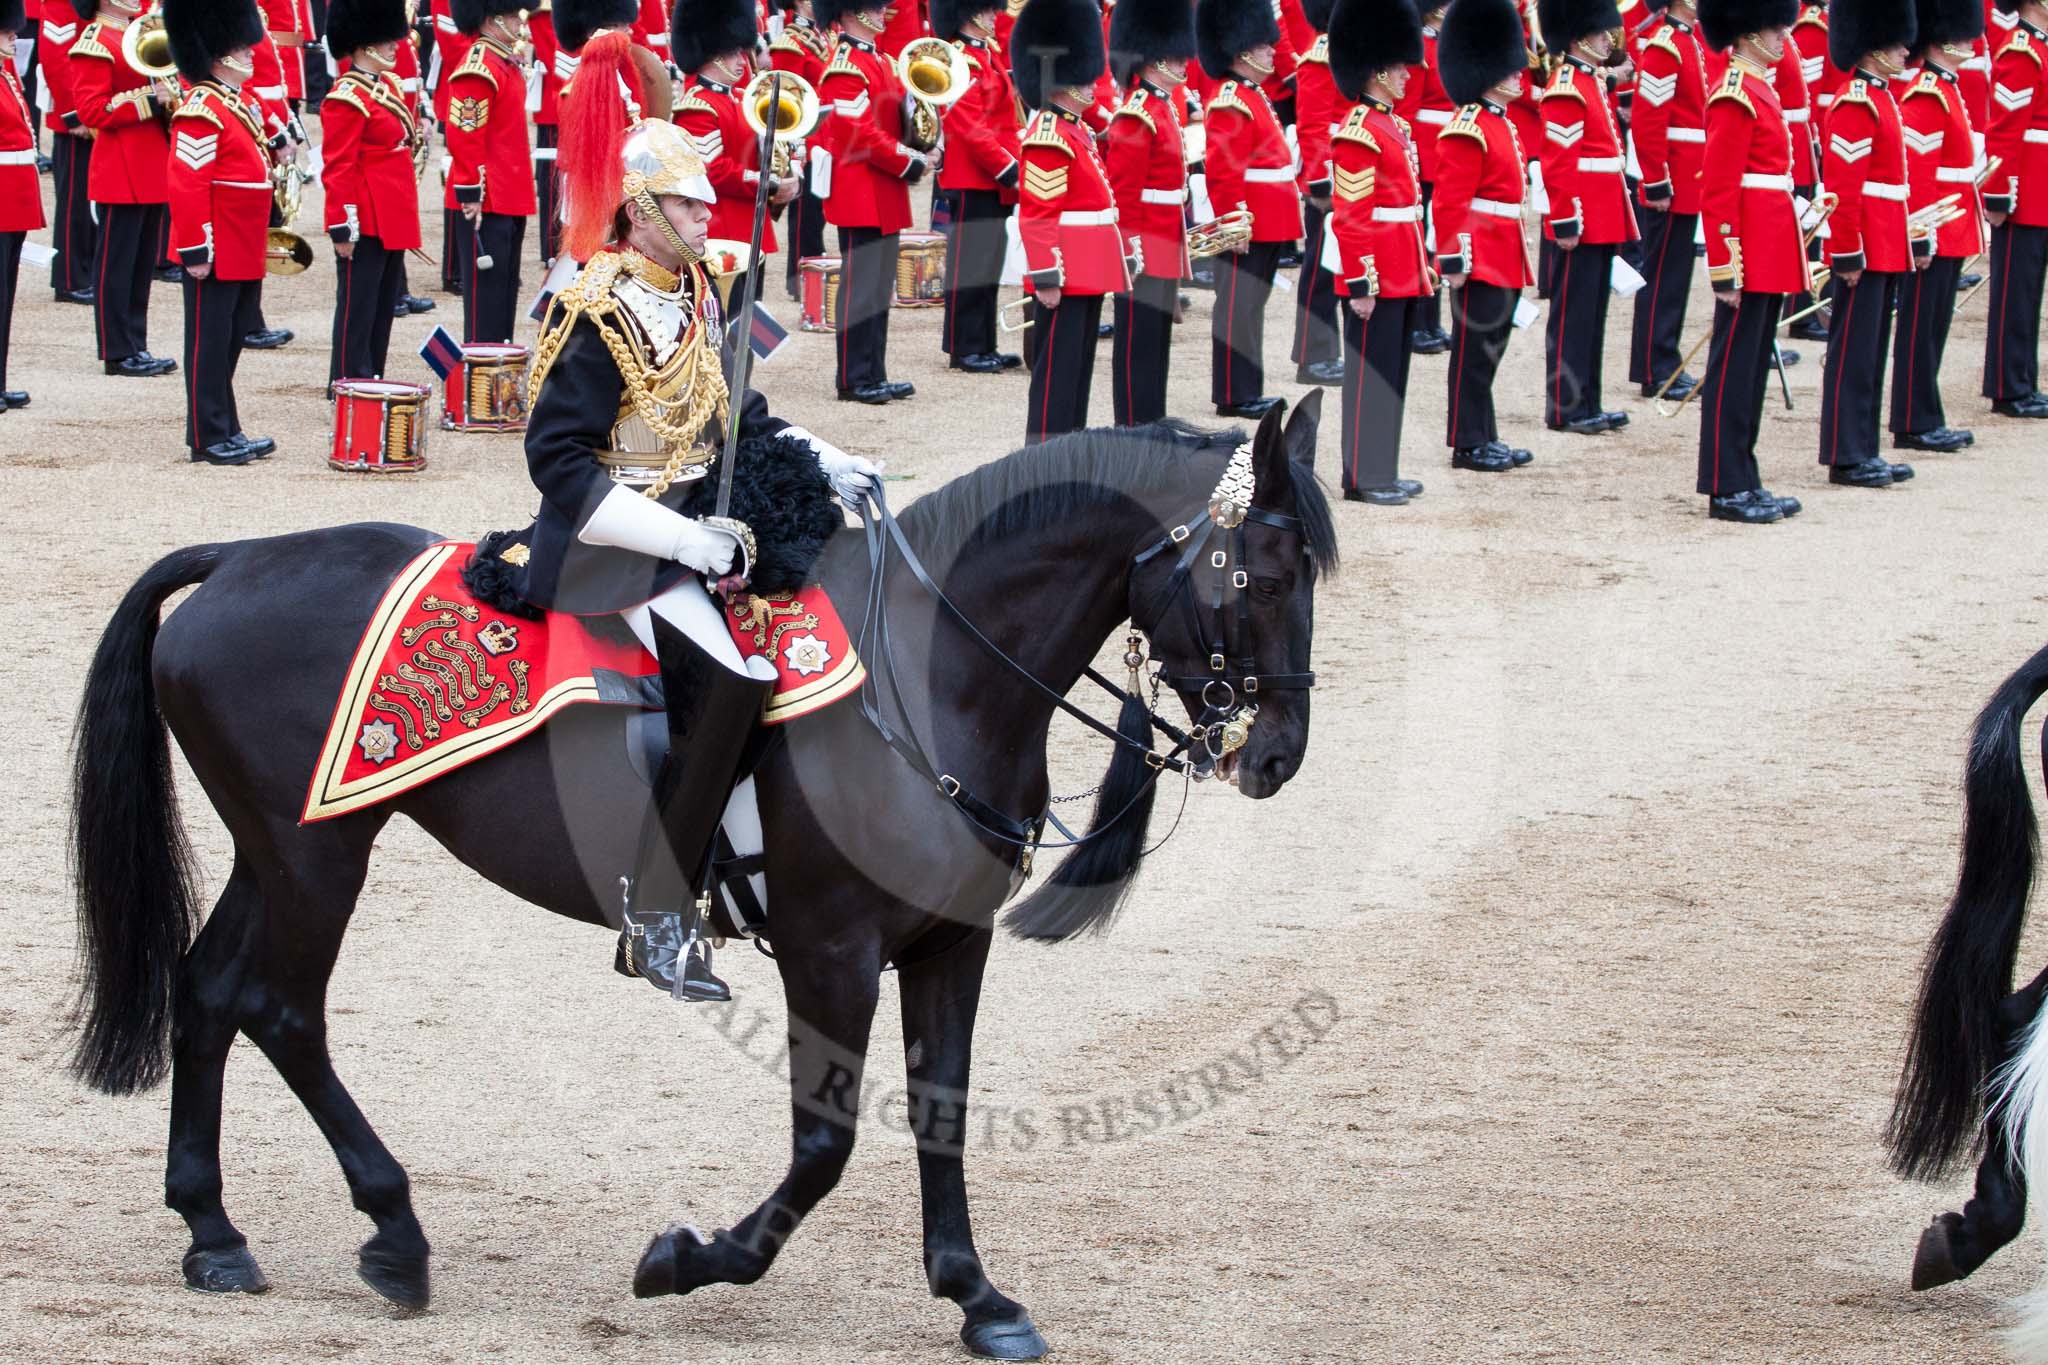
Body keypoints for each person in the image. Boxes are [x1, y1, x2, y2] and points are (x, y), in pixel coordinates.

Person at [526, 43, 879, 998]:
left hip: (703, 514)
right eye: (687, 205)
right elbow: (555, 462)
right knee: (730, 683)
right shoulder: (596, 308)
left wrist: (827, 458)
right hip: (617, 544)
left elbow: (734, 414)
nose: (706, 216)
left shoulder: (696, 286)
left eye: (708, 204)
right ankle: (656, 911)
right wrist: (683, 541)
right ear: (641, 209)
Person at [1693, 0, 1804, 521]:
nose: (1783, 36)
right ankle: (1724, 484)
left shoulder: (1761, 87)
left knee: (1754, 368)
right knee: (1734, 372)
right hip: (1747, 253)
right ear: (1747, 33)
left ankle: (1746, 476)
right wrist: (1724, 267)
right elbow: (1717, 192)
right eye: (1774, 27)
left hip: (1770, 246)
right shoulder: (1734, 94)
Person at [161, 0, 277, 465]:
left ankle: (226, 424)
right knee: (208, 343)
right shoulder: (201, 108)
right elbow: (187, 183)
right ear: (217, 54)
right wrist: (195, 247)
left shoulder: (235, 104)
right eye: (239, 47)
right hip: (217, 243)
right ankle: (207, 436)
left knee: (228, 339)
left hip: (242, 242)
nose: (251, 53)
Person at [1326, 0, 1430, 503]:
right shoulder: (1360, 132)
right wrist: (1361, 283)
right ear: (1376, 72)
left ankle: (1382, 467)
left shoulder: (1392, 125)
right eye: (1398, 69)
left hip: (1403, 264)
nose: (1407, 76)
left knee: (1392, 375)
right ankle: (1363, 477)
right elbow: (1351, 216)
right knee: (1371, 379)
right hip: (1379, 272)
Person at [1817, 0, 1923, 488]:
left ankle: (1864, 447)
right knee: (1854, 352)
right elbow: (1843, 187)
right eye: (1897, 43)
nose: (1906, 50)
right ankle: (1845, 452)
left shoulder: (1881, 97)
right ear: (1873, 46)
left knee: (1872, 349)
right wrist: (1846, 251)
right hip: (1864, 244)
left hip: (1885, 240)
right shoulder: (1857, 101)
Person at [1013, 0, 1129, 439]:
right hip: (1065, 271)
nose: (1091, 81)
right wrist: (1046, 275)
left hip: (1088, 267)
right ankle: (1042, 457)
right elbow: (1038, 216)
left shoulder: (1074, 129)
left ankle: (1066, 450)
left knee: (1076, 373)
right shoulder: (1049, 135)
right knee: (1057, 381)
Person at [1432, 0, 1534, 472]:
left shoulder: (1498, 123)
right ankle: (1467, 442)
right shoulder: (1468, 128)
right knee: (1474, 353)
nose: (1520, 75)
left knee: (1490, 350)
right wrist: (1452, 259)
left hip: (1504, 248)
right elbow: (1449, 204)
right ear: (1487, 70)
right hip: (1481, 253)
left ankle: (1484, 433)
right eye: (1511, 68)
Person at [1536, 0, 1638, 434]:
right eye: (1600, 34)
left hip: (1603, 213)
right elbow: (1560, 163)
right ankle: (1566, 407)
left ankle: (1588, 401)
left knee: (1592, 316)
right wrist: (1565, 221)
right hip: (1582, 218)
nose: (1608, 39)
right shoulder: (1566, 86)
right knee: (1574, 316)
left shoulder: (1589, 81)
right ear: (1579, 37)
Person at [816, 0, 925, 403]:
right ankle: (853, 376)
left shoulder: (881, 59)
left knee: (879, 287)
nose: (884, 12)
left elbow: (896, 119)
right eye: (875, 7)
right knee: (861, 286)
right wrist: (909, 160)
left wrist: (923, 136)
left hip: (884, 187)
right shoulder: (845, 65)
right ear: (850, 12)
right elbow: (857, 133)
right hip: (861, 190)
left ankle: (874, 371)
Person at [1198, 0, 1301, 418]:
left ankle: (1247, 386)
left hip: (1269, 218)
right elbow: (1223, 171)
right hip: (1250, 221)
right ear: (1242, 52)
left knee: (1251, 306)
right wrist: (1234, 224)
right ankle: (1233, 393)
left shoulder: (1251, 95)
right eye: (1263, 47)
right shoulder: (1231, 100)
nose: (1272, 52)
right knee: (1238, 306)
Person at [1890, 0, 1983, 450]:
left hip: (1953, 222)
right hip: (1937, 225)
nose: (1970, 39)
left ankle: (1925, 414)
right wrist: (1922, 233)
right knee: (1921, 329)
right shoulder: (1928, 91)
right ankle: (1913, 419)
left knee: (1935, 326)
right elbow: (1921, 174)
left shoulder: (1946, 88)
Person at [70, 0, 178, 378]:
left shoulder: (137, 35)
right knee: (116, 264)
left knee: (139, 263)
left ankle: (137, 342)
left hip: (150, 161)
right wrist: (150, 99)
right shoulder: (95, 42)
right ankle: (116, 350)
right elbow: (92, 110)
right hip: (120, 164)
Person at [672, 0, 794, 326]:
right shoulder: (697, 106)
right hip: (722, 232)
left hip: (749, 228)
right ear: (712, 54)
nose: (743, 60)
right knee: (724, 320)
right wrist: (769, 183)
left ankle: (745, 379)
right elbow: (714, 171)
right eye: (734, 53)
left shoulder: (741, 100)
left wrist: (785, 166)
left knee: (748, 319)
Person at [1105, 0, 1195, 425]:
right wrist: (1131, 251)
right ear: (1157, 56)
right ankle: (1133, 424)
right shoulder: (1137, 113)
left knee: (1157, 340)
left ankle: (1152, 420)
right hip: (1144, 245)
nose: (1186, 60)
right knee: (1138, 342)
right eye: (1177, 54)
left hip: (1164, 238)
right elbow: (1124, 196)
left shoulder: (1164, 107)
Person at [323, 0, 421, 384]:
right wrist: (342, 227)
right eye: (386, 42)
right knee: (357, 306)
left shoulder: (385, 87)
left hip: (391, 210)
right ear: (365, 46)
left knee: (381, 304)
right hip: (365, 213)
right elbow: (338, 168)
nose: (395, 46)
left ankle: (371, 376)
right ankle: (347, 381)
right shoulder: (346, 98)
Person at [932, 0, 1023, 375]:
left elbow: (1002, 118)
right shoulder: (962, 58)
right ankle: (964, 346)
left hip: (990, 174)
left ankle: (984, 341)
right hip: (973, 175)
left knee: (988, 262)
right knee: (970, 263)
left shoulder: (986, 54)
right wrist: (1007, 166)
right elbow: (966, 124)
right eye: (986, 10)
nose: (994, 15)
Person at [1629, 0, 1710, 400]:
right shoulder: (1666, 46)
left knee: (1675, 277)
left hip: (1688, 177)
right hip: (1671, 177)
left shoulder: (1688, 42)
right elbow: (1649, 118)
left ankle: (1666, 360)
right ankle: (1653, 367)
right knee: (1662, 277)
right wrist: (1656, 179)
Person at [444, 0, 532, 344]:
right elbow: (464, 136)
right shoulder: (479, 67)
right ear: (494, 19)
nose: (518, 21)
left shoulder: (503, 62)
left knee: (504, 296)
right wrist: (470, 193)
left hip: (508, 194)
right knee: (486, 308)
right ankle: (481, 389)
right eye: (512, 15)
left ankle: (501, 385)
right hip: (488, 199)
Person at [1981, 0, 2048, 417]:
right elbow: (2004, 130)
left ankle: (2024, 378)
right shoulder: (2021, 50)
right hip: (2027, 188)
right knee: (2015, 293)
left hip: (2042, 185)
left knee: (2030, 293)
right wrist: (2000, 192)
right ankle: (2008, 387)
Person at [1289, 0, 1345, 385]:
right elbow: (1313, 127)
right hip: (1333, 178)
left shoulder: (1352, 50)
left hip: (1358, 174)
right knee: (1320, 271)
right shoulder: (1320, 57)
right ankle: (1313, 356)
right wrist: (1322, 184)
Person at [1399, 1, 1455, 353]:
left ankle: (1432, 320)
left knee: (1437, 240)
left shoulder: (1442, 44)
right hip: (1425, 155)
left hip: (1445, 154)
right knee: (1421, 241)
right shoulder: (1419, 50)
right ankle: (1418, 323)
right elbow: (1405, 113)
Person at [36, 0, 98, 305]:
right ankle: (71, 278)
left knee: (102, 202)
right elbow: (56, 57)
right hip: (78, 118)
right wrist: (73, 112)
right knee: (76, 201)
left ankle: (95, 271)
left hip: (107, 112)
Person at [768, 0, 832, 301]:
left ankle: (815, 266)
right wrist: (795, 146)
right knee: (805, 213)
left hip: (827, 136)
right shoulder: (789, 44)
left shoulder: (824, 36)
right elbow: (786, 100)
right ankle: (799, 277)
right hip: (805, 138)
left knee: (818, 212)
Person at [0, 0, 39, 412]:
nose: (15, 35)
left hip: (11, 197)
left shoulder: (6, 74)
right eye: (7, 30)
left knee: (5, 296)